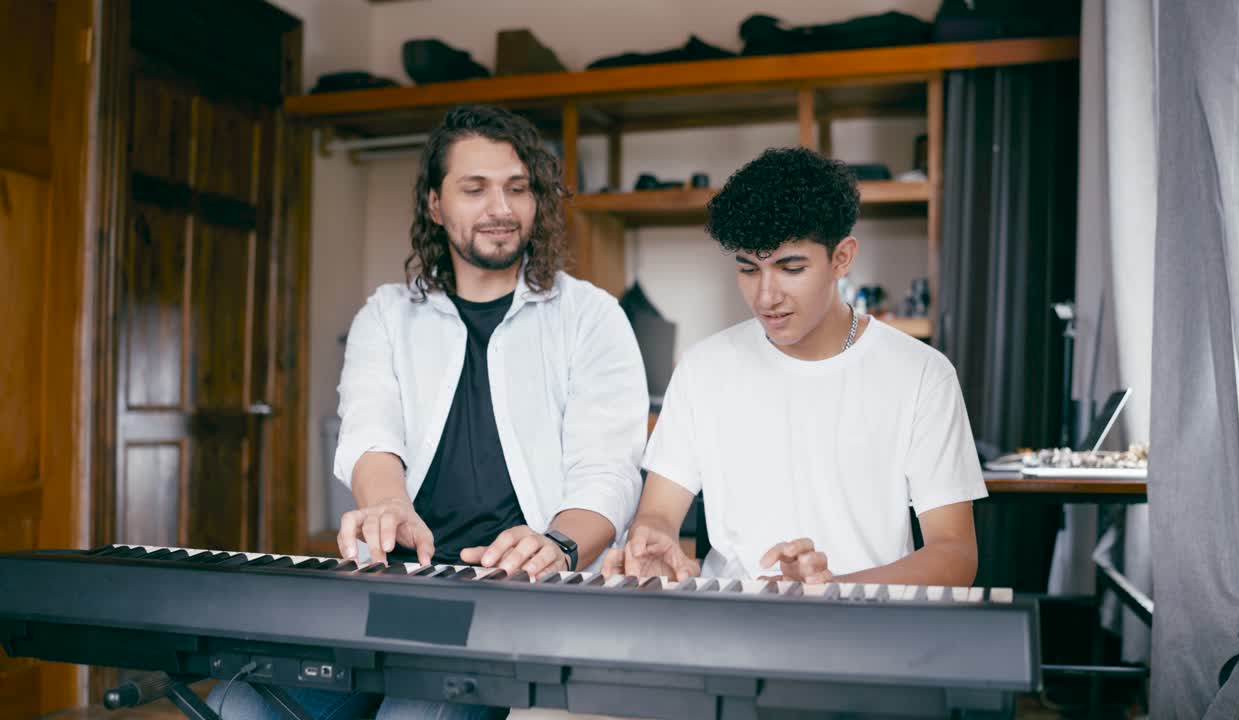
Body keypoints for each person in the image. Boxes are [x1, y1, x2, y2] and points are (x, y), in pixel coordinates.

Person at [210, 104, 648, 720]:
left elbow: (609, 470)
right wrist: (387, 505)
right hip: (401, 592)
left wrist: (556, 544)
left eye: (517, 189)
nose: (501, 207)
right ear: (436, 205)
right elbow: (369, 429)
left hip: (520, 599)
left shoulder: (592, 317)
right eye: (476, 188)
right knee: (239, 703)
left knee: (415, 715)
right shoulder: (386, 315)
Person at [603, 147, 987, 588]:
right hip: (729, 626)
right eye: (749, 269)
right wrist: (650, 542)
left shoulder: (921, 375)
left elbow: (955, 553)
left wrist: (832, 590)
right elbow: (658, 512)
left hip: (865, 629)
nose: (766, 296)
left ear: (842, 258)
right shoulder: (703, 369)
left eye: (791, 268)